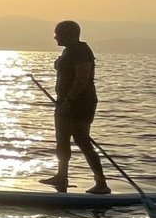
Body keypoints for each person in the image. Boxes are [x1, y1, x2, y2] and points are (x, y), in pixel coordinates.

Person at [41, 20, 108, 194]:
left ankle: (101, 182)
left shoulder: (81, 51)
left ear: (69, 34)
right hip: (64, 101)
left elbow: (82, 78)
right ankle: (62, 176)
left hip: (79, 103)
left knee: (82, 139)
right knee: (62, 139)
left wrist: (69, 101)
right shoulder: (68, 51)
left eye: (58, 33)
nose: (55, 37)